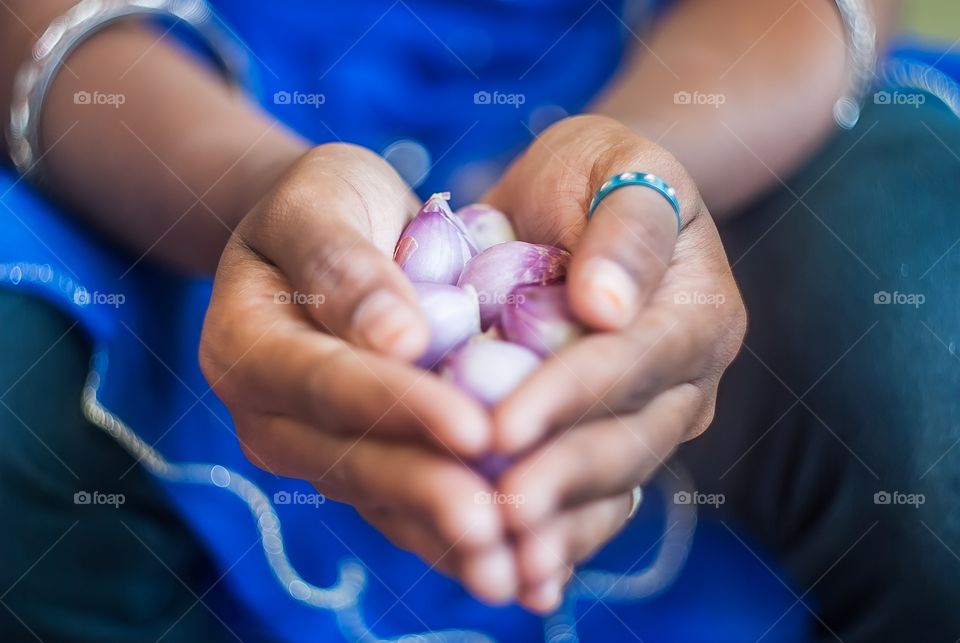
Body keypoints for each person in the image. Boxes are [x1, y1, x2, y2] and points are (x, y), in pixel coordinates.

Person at [0, 0, 957, 641]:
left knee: (926, 368)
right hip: (179, 113)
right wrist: (257, 194)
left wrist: (638, 173)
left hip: (684, 88)